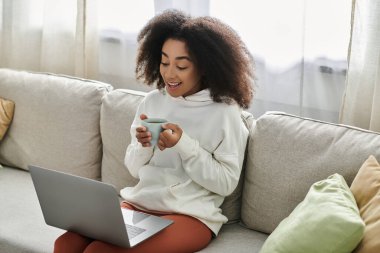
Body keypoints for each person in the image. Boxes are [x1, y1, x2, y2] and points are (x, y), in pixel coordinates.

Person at [54, 9, 255, 253]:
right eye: (164, 62)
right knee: (65, 243)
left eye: (181, 66)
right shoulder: (152, 102)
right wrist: (143, 144)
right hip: (140, 204)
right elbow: (134, 168)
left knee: (99, 251)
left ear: (204, 67)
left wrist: (183, 144)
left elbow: (225, 184)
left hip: (190, 215)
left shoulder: (225, 113)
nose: (169, 73)